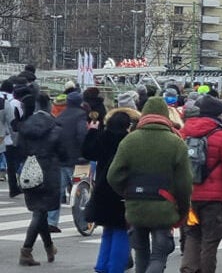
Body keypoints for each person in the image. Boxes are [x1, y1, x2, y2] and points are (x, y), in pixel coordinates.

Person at [108, 97, 193, 273]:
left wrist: (127, 192)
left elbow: (113, 175)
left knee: (141, 253)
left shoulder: (130, 140)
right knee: (159, 255)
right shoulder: (176, 143)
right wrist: (183, 210)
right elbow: (184, 183)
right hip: (164, 206)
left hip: (136, 205)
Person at [179, 95, 222, 273]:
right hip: (212, 199)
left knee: (192, 233)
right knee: (211, 238)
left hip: (189, 195)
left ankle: (188, 268)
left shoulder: (184, 132)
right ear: (217, 115)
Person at [82, 105, 140, 273]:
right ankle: (115, 267)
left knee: (108, 230)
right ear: (127, 125)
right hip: (120, 190)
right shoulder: (128, 140)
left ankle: (102, 265)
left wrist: (91, 132)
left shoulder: (102, 137)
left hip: (101, 187)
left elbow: (87, 152)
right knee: (122, 231)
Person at [17, 94, 66, 266]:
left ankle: (49, 246)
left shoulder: (25, 127)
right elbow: (63, 151)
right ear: (49, 106)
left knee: (40, 211)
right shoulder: (55, 127)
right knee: (40, 212)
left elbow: (19, 149)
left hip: (30, 170)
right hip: (48, 171)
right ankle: (26, 250)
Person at [50, 91, 88, 233]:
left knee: (58, 191)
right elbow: (82, 134)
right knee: (82, 191)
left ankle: (52, 221)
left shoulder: (60, 116)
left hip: (61, 158)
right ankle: (83, 221)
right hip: (78, 159)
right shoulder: (81, 115)